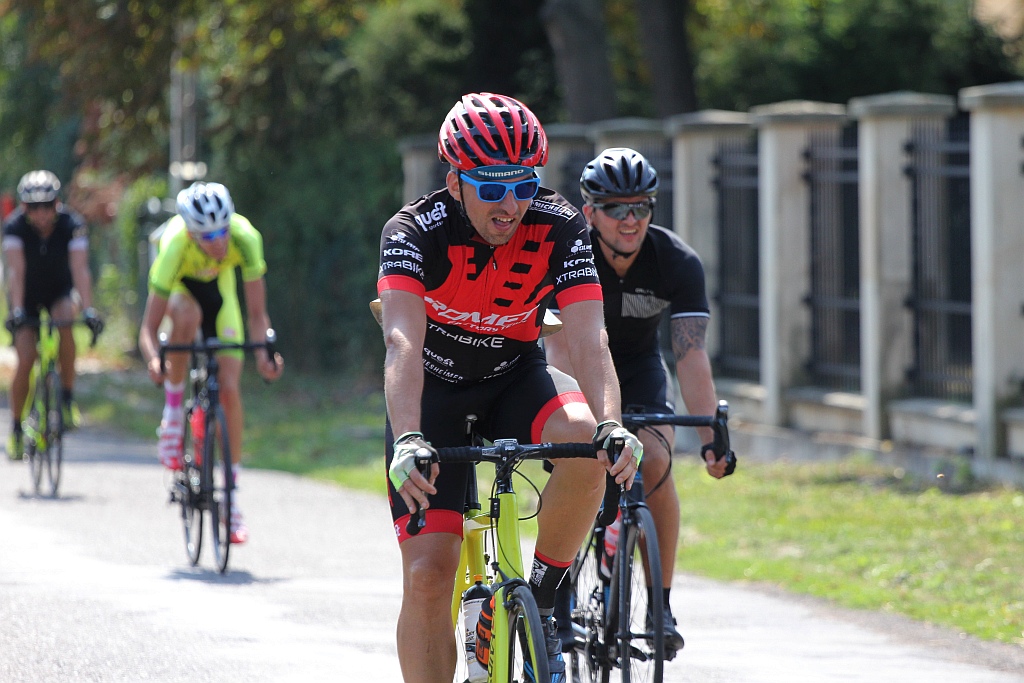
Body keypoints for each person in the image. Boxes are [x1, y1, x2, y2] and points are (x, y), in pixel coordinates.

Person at [379, 92, 643, 683]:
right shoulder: (412, 232)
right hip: (434, 397)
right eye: (492, 187)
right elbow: (401, 343)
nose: (511, 205)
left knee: (584, 441)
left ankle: (545, 598)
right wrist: (410, 436)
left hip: (514, 377)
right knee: (428, 573)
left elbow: (589, 336)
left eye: (523, 185)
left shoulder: (560, 226)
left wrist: (612, 424)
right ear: (455, 182)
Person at [545, 148, 731, 656]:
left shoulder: (676, 261)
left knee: (656, 461)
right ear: (589, 213)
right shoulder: (566, 255)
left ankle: (661, 603)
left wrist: (712, 435)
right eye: (617, 208)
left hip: (641, 369)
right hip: (579, 368)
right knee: (578, 464)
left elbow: (690, 357)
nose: (631, 220)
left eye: (642, 207)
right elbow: (558, 349)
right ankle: (558, 609)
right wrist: (579, 419)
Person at [138, 181, 283, 544]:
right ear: (190, 231)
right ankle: (173, 417)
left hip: (222, 298)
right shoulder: (173, 245)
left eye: (222, 231)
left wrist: (265, 353)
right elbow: (148, 328)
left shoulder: (245, 238)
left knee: (230, 389)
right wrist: (155, 359)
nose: (218, 242)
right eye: (207, 235)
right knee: (185, 318)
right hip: (181, 295)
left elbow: (257, 313)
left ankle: (231, 497)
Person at [2, 170, 104, 459]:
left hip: (59, 290)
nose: (41, 214)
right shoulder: (14, 228)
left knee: (65, 323)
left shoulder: (72, 225)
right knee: (25, 358)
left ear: (57, 204)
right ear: (24, 208)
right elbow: (16, 272)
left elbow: (81, 271)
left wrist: (88, 309)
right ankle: (17, 429)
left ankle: (68, 399)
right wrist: (18, 310)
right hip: (27, 295)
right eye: (34, 208)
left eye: (47, 206)